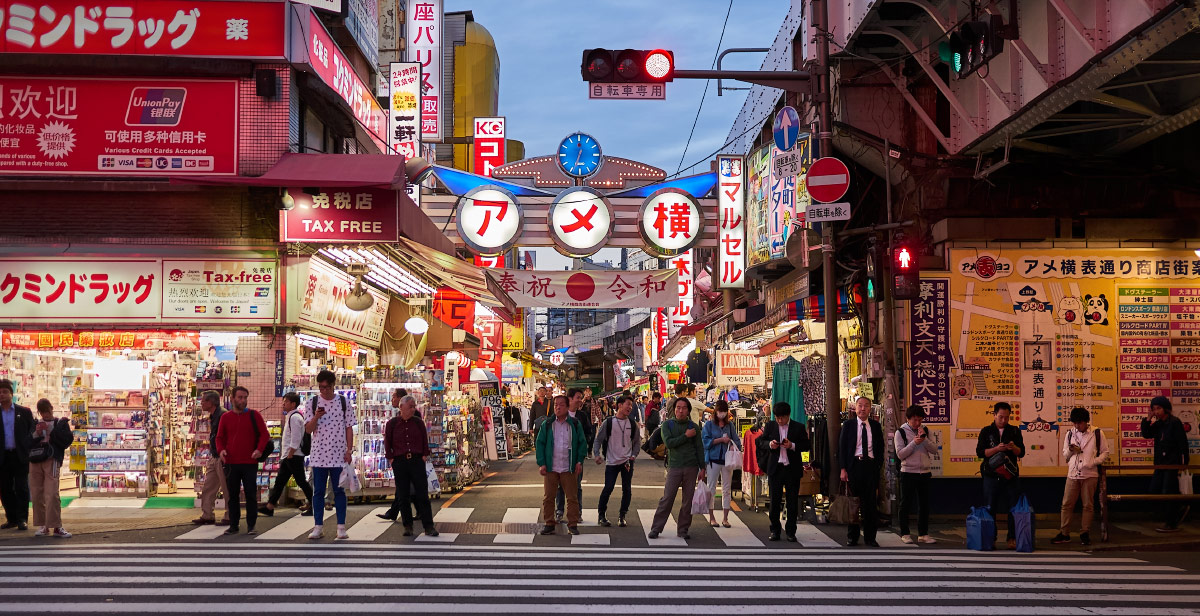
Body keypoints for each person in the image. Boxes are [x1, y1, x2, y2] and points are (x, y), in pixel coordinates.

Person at [304, 370, 356, 540]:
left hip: (339, 454)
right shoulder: (312, 403)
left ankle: (341, 527)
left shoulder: (343, 402)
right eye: (321, 387)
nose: (323, 390)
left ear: (333, 385)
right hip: (319, 455)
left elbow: (349, 427)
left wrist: (349, 450)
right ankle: (318, 526)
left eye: (326, 387)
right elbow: (308, 429)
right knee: (318, 492)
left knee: (339, 491)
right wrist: (316, 417)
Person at [379, 395, 439, 537]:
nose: (413, 409)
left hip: (417, 460)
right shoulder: (392, 424)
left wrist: (424, 455)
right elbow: (388, 443)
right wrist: (391, 459)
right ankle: (407, 525)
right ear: (401, 407)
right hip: (400, 461)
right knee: (403, 495)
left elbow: (425, 440)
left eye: (414, 406)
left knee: (422, 494)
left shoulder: (418, 423)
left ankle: (428, 526)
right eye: (410, 406)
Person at [648, 397, 707, 540]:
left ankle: (683, 529)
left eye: (684, 408)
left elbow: (699, 448)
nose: (680, 410)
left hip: (691, 466)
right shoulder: (668, 425)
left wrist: (703, 468)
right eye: (678, 408)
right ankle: (656, 528)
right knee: (667, 498)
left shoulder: (694, 426)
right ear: (674, 409)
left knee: (688, 500)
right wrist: (686, 436)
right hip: (674, 466)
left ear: (688, 410)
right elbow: (669, 443)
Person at [215, 386, 269, 536]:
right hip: (231, 462)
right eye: (240, 397)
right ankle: (234, 524)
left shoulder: (254, 415)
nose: (243, 400)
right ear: (232, 399)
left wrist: (259, 449)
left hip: (249, 462)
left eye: (245, 397)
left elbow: (265, 435)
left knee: (251, 494)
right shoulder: (225, 418)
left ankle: (251, 525)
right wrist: (221, 451)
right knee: (232, 495)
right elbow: (219, 437)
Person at [1052, 407, 1109, 545]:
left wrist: (1092, 462)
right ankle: (1064, 533)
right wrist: (1071, 450)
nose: (1077, 426)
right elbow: (1065, 454)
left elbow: (1105, 453)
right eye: (1075, 423)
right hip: (1072, 473)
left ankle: (1085, 532)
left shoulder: (1097, 433)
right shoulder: (1070, 433)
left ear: (1086, 421)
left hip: (1090, 474)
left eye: (1080, 423)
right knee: (1066, 504)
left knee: (1088, 505)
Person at [756, 402, 811, 541]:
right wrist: (770, 444)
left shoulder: (798, 427)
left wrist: (792, 445)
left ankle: (791, 531)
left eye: (782, 418)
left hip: (792, 469)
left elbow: (806, 445)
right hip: (776, 468)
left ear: (788, 415)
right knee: (774, 501)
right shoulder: (770, 426)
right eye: (777, 418)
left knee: (792, 501)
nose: (780, 421)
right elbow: (760, 442)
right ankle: (775, 530)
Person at [976, 401, 1025, 549]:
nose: (1004, 420)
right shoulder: (986, 431)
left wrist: (1013, 447)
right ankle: (991, 537)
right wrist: (997, 449)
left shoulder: (1014, 431)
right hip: (991, 476)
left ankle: (1012, 538)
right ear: (994, 415)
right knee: (990, 507)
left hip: (1010, 476)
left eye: (1007, 417)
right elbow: (980, 452)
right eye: (1001, 417)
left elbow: (1021, 452)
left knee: (1013, 507)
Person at [536, 395, 587, 536]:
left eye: (561, 405)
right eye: (555, 405)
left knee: (572, 497)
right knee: (548, 497)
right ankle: (549, 523)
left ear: (567, 406)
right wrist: (542, 463)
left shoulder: (575, 424)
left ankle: (573, 524)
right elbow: (540, 443)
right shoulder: (547, 424)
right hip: (551, 467)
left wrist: (579, 461)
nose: (558, 407)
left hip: (568, 466)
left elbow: (582, 443)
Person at [840, 396, 884, 547]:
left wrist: (877, 465)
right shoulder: (848, 425)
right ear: (855, 408)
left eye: (866, 406)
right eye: (860, 405)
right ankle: (852, 537)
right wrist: (843, 469)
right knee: (853, 503)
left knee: (870, 504)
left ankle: (870, 537)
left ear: (870, 409)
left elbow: (880, 448)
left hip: (870, 467)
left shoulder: (875, 426)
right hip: (854, 466)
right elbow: (842, 448)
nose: (863, 408)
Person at [1141, 396, 1189, 533]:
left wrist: (1184, 463)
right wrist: (1148, 419)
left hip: (1172, 463)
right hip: (1160, 464)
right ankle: (1178, 506)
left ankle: (1171, 523)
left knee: (1168, 492)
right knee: (1154, 490)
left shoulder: (1174, 422)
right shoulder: (1159, 424)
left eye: (1158, 408)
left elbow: (1182, 443)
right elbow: (1146, 434)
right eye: (1154, 409)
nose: (1156, 411)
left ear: (1166, 409)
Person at [260, 392, 313, 517]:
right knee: (280, 482)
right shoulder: (292, 416)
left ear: (293, 404)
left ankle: (315, 505)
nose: (283, 404)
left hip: (293, 455)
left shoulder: (295, 417)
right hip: (289, 456)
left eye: (286, 402)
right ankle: (270, 506)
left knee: (301, 482)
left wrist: (291, 453)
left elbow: (296, 437)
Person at [593, 395, 640, 528]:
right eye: (628, 405)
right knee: (608, 488)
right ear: (619, 405)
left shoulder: (632, 423)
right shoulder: (608, 423)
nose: (630, 408)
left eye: (631, 405)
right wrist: (596, 454)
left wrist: (633, 455)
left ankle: (622, 515)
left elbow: (637, 442)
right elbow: (598, 439)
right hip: (612, 461)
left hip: (627, 461)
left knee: (627, 489)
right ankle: (601, 514)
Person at [29, 399, 73, 538]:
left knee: (52, 493)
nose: (45, 415)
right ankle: (43, 525)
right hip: (36, 460)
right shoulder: (35, 423)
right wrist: (36, 433)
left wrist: (52, 432)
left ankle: (56, 525)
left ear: (51, 409)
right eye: (42, 412)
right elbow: (26, 442)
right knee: (36, 494)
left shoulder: (60, 423)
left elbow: (67, 441)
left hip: (52, 459)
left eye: (47, 411)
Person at [895, 404, 937, 544]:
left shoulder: (925, 430)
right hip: (908, 472)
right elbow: (900, 454)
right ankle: (905, 533)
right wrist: (913, 442)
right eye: (914, 420)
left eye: (920, 420)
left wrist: (923, 439)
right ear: (908, 419)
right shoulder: (900, 432)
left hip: (925, 472)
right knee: (905, 504)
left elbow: (934, 449)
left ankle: (923, 534)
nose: (917, 423)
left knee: (924, 504)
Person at [0, 379, 34, 531]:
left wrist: (27, 447)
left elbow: (32, 431)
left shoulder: (24, 412)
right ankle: (11, 518)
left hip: (19, 455)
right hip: (3, 456)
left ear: (11, 394)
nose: (2, 395)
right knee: (5, 488)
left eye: (5, 392)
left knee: (21, 487)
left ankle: (22, 519)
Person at [555, 388, 593, 521]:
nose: (580, 400)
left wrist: (582, 446)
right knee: (560, 485)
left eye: (581, 397)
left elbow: (589, 433)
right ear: (569, 399)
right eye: (578, 397)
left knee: (576, 485)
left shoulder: (582, 416)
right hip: (559, 456)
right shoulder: (558, 414)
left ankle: (577, 513)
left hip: (576, 457)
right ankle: (559, 511)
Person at [192, 392, 229, 525]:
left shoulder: (223, 415)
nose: (201, 403)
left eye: (203, 401)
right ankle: (207, 514)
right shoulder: (214, 415)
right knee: (208, 487)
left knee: (226, 488)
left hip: (222, 456)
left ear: (211, 402)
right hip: (214, 456)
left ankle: (230, 515)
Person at [703, 400, 741, 528]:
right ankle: (712, 517)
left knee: (726, 489)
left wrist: (731, 444)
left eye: (724, 412)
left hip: (727, 461)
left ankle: (725, 518)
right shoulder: (708, 425)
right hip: (713, 460)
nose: (722, 414)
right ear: (715, 411)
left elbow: (736, 440)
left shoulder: (730, 425)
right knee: (711, 488)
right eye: (720, 411)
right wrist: (720, 440)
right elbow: (705, 441)